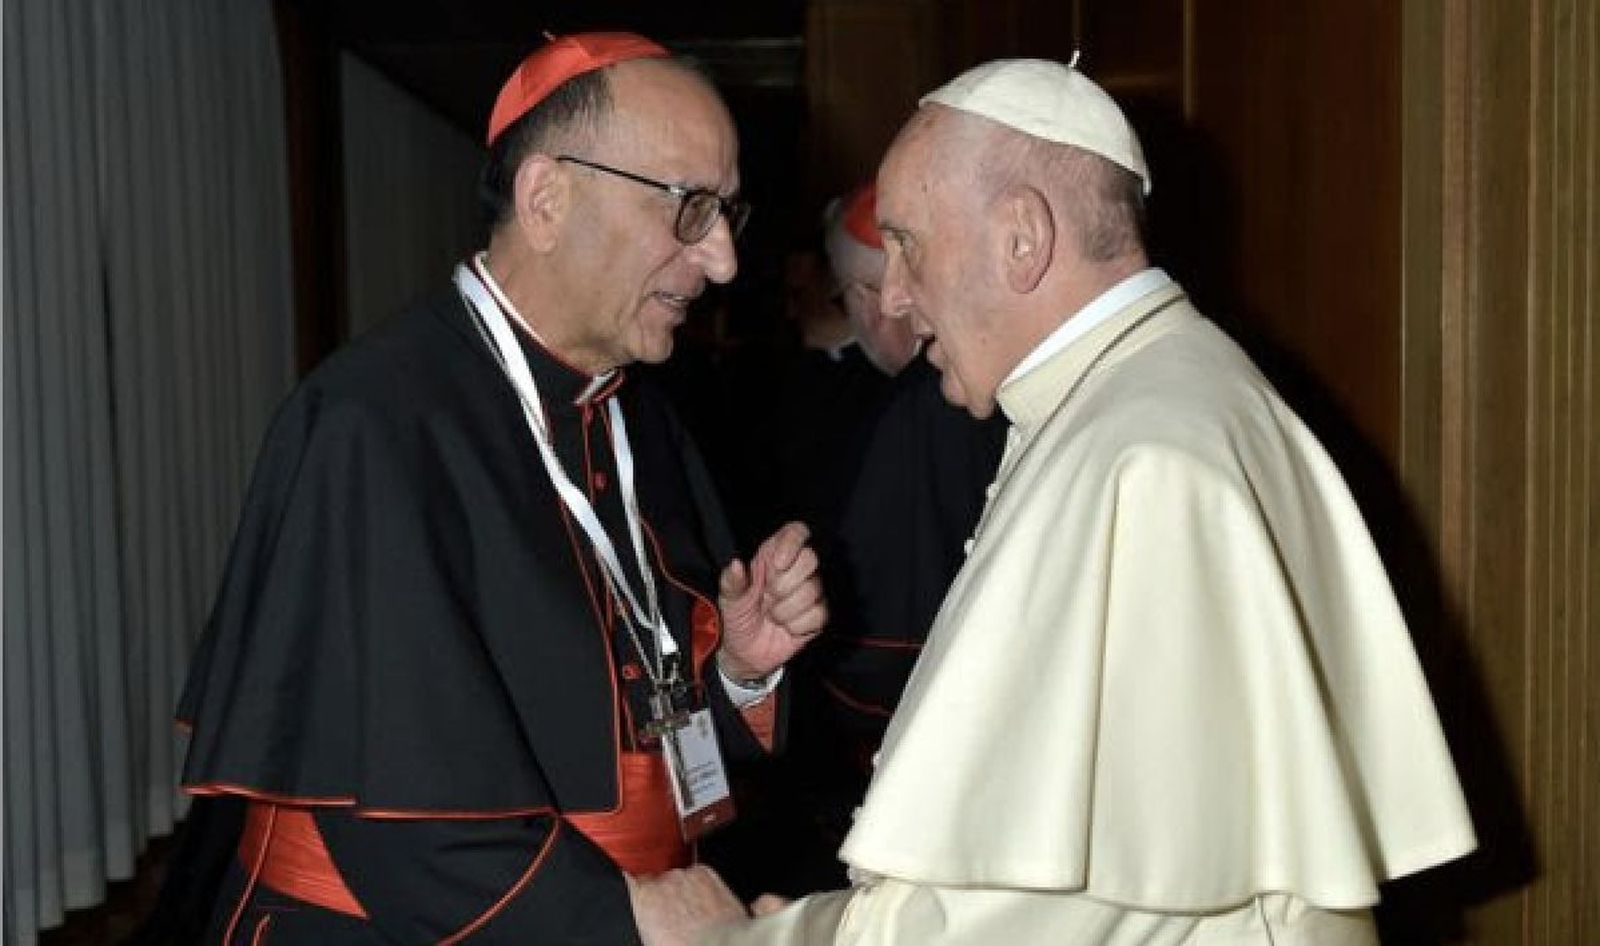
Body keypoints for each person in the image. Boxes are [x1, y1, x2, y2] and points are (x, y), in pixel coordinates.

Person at [645, 56, 1479, 945]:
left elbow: (1049, 909)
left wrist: (749, 941)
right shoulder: (1145, 402)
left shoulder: (1149, 460)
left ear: (1021, 237)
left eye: (910, 245)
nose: (891, 296)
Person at [174, 32, 826, 946]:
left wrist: (737, 670)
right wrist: (613, 915)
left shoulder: (642, 419)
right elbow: (397, 815)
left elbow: (634, 726)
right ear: (547, 198)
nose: (721, 261)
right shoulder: (374, 424)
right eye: (690, 209)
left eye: (727, 214)